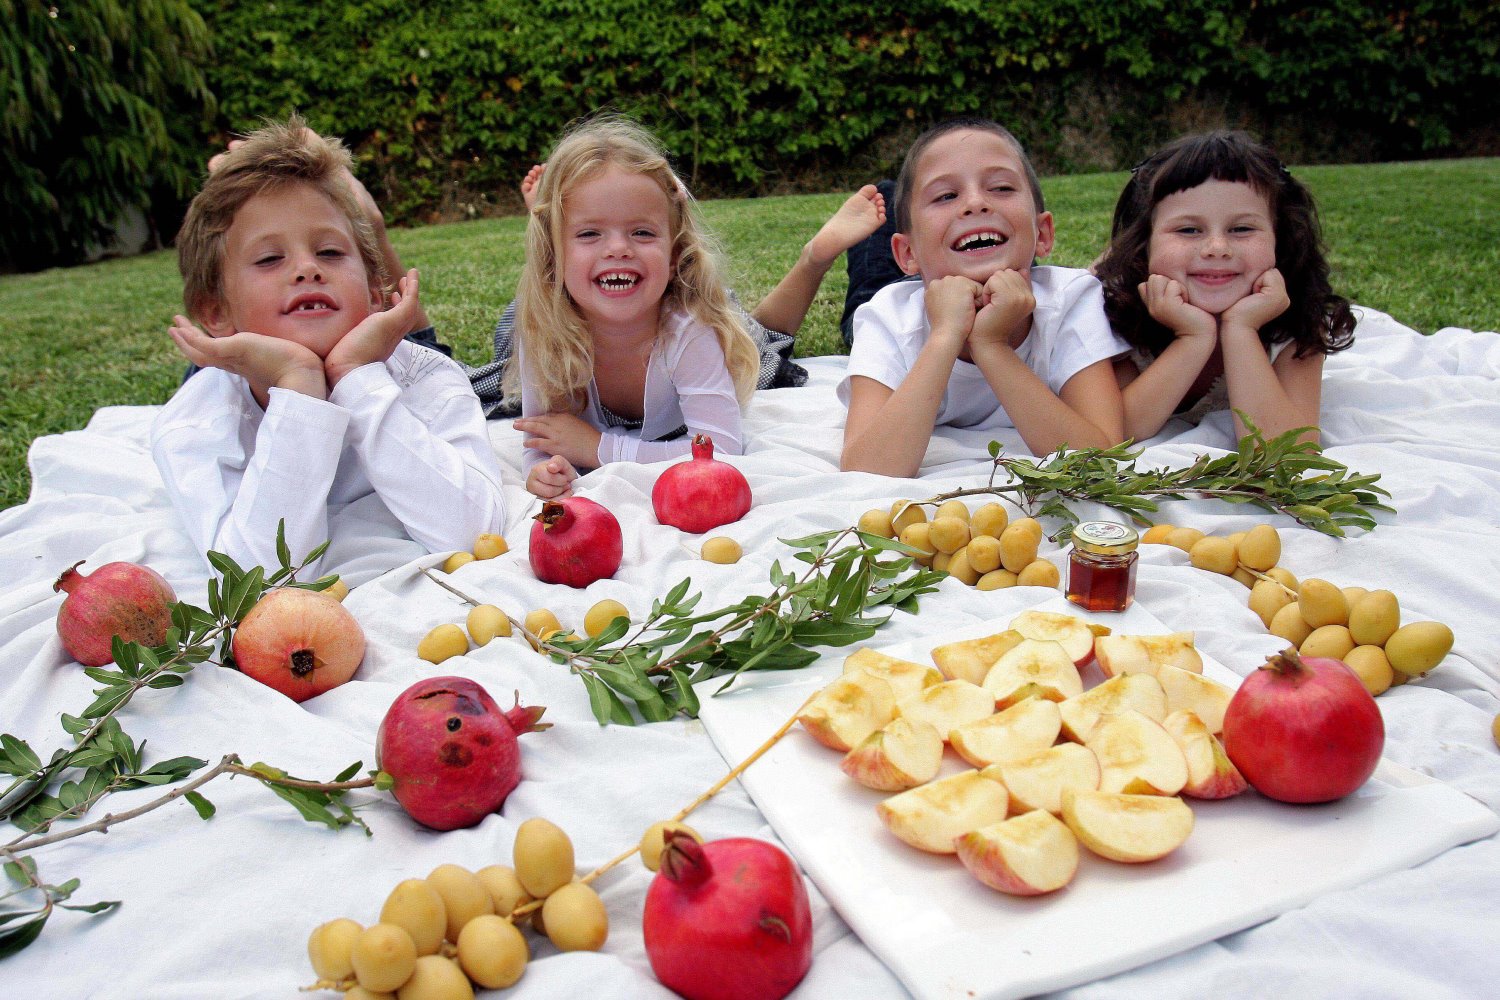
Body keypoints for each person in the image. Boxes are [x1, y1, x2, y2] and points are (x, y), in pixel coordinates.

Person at [152, 116, 506, 577]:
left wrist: (355, 375)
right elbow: (257, 578)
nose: (306, 268)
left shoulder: (426, 377)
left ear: (376, 292)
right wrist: (297, 385)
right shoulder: (196, 422)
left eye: (331, 253)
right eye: (269, 258)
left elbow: (474, 532)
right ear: (216, 311)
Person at [468, 158, 888, 419]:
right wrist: (546, 466)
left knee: (748, 346)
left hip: (670, 302)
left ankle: (814, 257)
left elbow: (720, 447)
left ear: (674, 255)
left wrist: (597, 448)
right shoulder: (543, 336)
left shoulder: (693, 328)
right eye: (592, 232)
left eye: (641, 232)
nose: (618, 248)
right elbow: (540, 442)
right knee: (515, 367)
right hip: (566, 300)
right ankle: (555, 220)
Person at [839, 118, 1130, 476]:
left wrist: (991, 345)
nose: (975, 203)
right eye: (946, 195)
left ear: (1043, 234)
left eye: (1002, 188)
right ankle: (876, 221)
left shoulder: (1071, 299)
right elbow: (866, 469)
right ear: (908, 254)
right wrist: (945, 336)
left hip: (971, 256)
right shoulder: (887, 316)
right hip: (902, 285)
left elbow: (1099, 458)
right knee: (870, 270)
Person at [1093, 130, 1355, 443]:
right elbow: (1114, 432)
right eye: (1189, 229)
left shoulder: (1296, 319)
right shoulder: (1113, 308)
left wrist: (1241, 329)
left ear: (1281, 240)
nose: (1217, 247)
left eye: (1242, 229)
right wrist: (1194, 337)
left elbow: (1285, 455)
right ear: (1144, 243)